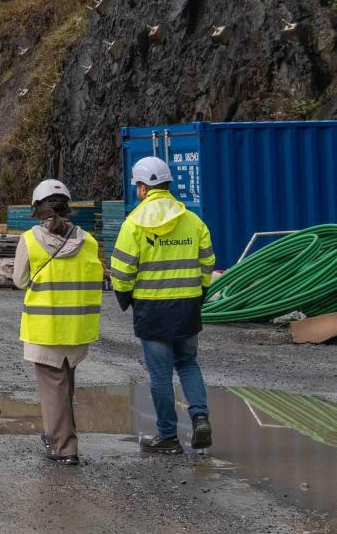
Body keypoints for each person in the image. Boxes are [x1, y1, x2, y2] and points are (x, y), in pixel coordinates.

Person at [111, 156, 217, 454]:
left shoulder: (133, 224)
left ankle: (168, 436)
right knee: (188, 363)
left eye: (137, 186)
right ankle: (199, 418)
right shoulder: (193, 221)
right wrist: (200, 293)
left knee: (160, 376)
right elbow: (208, 261)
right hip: (187, 308)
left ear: (143, 188)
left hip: (152, 311)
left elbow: (121, 270)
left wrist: (124, 297)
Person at [12, 178, 104, 465]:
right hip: (77, 328)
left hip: (45, 328)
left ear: (37, 209)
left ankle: (64, 447)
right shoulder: (88, 241)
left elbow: (19, 280)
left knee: (54, 388)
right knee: (64, 384)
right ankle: (57, 433)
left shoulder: (30, 240)